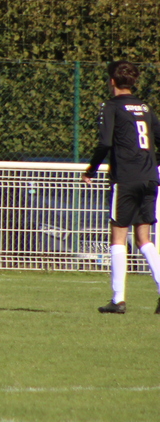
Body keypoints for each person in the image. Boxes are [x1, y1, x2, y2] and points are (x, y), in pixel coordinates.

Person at [83, 60, 160, 314]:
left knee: (118, 237)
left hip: (125, 178)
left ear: (112, 81)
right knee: (144, 239)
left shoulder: (111, 106)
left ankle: (118, 299)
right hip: (149, 177)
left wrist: (91, 169)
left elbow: (105, 143)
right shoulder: (145, 107)